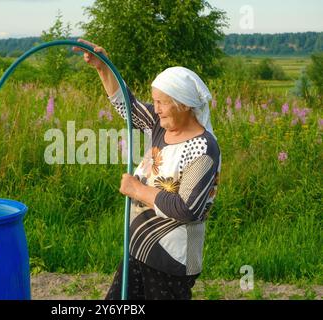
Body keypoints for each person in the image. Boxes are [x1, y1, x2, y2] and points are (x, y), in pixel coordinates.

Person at [73, 39, 221, 300]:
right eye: (155, 101)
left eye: (162, 102)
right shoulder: (160, 125)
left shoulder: (204, 148)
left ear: (184, 105)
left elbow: (187, 209)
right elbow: (126, 106)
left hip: (172, 259)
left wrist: (138, 190)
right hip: (139, 248)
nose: (156, 108)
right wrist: (102, 67)